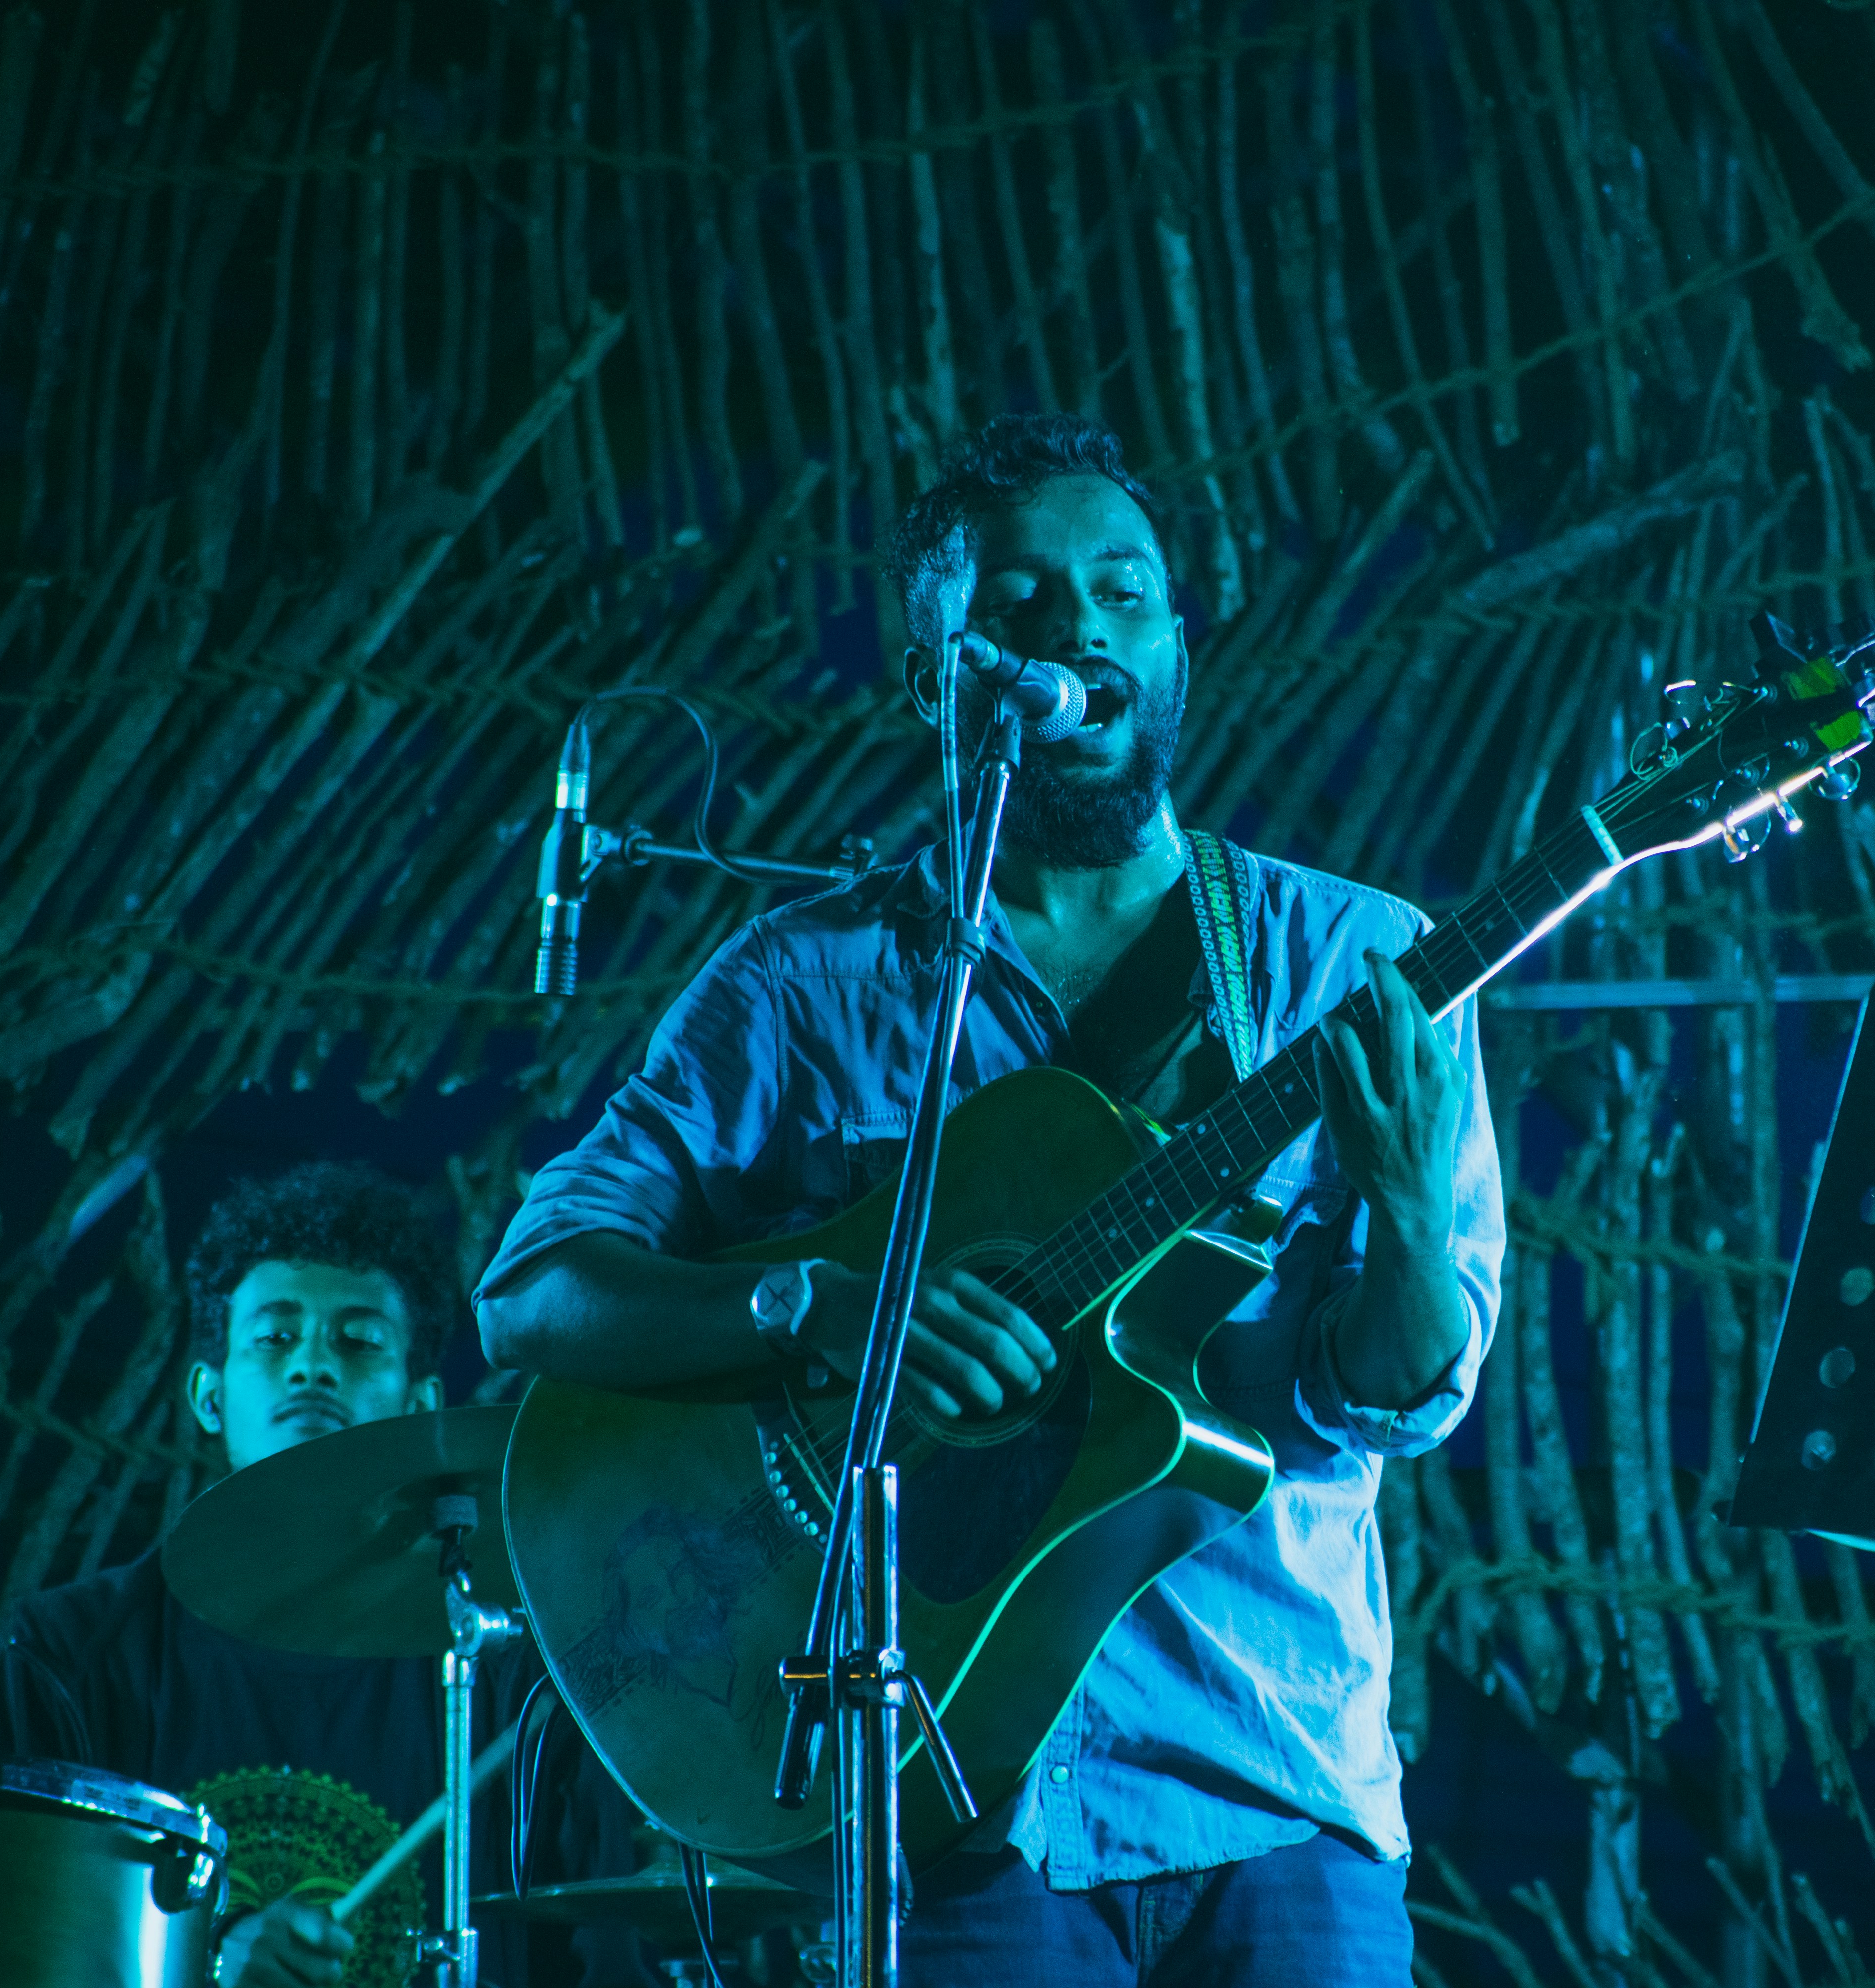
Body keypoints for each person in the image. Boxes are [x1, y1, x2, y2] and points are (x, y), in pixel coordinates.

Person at [475, 412, 1506, 1986]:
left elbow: (1398, 1400)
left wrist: (1415, 1218)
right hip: (953, 1819)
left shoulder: (1354, 964)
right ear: (931, 670)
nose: (1078, 629)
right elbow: (534, 1288)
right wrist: (818, 1317)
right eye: (1018, 605)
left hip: (1276, 1783)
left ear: (1173, 645)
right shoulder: (806, 986)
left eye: (1122, 592)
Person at [0, 1162, 637, 1988]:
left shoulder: (516, 1671)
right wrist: (209, 1961)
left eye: (359, 1340)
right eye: (274, 1336)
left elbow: (605, 1952)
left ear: (419, 1401)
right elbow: (21, 1949)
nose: (312, 1367)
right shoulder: (72, 1655)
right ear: (209, 1395)